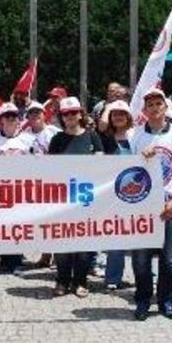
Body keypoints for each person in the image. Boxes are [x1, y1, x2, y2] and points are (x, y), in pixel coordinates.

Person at [129, 88, 172, 321]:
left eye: (159, 104)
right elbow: (123, 173)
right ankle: (143, 300)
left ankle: (166, 301)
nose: (155, 108)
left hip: (169, 203)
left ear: (167, 108)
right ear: (144, 110)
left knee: (169, 257)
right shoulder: (133, 135)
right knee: (141, 257)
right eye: (150, 105)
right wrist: (139, 159)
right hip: (141, 205)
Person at [48, 97, 105, 297]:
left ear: (81, 114)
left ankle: (80, 281)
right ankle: (62, 280)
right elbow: (49, 170)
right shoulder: (57, 139)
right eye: (66, 113)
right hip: (62, 200)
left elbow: (100, 166)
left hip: (87, 198)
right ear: (61, 117)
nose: (70, 116)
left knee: (85, 244)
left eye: (74, 112)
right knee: (62, 243)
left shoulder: (92, 137)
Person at [0, 102, 33, 275]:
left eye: (14, 116)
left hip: (21, 189)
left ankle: (16, 260)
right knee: (2, 224)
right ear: (1, 120)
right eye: (7, 116)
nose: (11, 119)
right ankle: (5, 259)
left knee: (18, 224)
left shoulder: (28, 140)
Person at [101, 100, 135, 289]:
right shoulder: (105, 138)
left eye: (122, 113)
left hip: (137, 195)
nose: (119, 117)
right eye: (115, 114)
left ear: (129, 116)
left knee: (142, 236)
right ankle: (113, 278)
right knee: (116, 237)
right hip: (112, 196)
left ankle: (146, 277)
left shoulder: (137, 136)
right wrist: (108, 107)